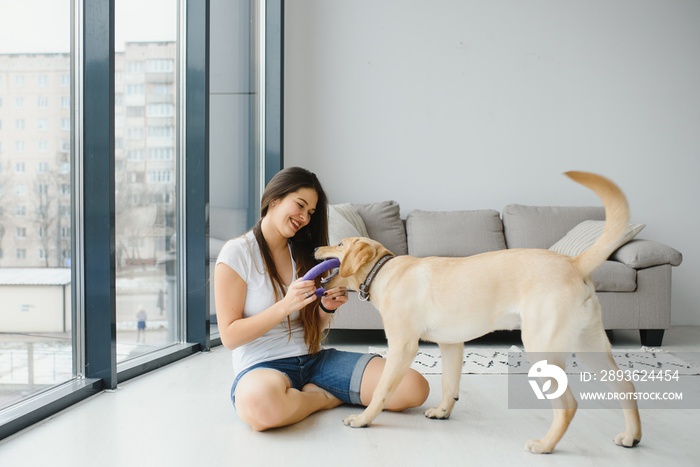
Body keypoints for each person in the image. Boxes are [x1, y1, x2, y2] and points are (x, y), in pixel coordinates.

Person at [215, 167, 429, 431]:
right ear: (275, 199)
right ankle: (322, 398)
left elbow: (311, 325)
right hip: (263, 366)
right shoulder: (237, 253)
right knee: (259, 406)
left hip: (314, 360)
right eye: (300, 205)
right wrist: (285, 305)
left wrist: (325, 308)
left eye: (311, 213)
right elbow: (230, 336)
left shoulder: (303, 253)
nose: (304, 218)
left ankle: (304, 396)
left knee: (413, 388)